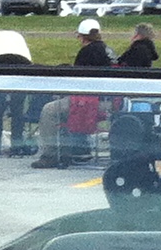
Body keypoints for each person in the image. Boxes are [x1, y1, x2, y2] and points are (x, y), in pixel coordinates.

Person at [35, 18, 113, 167]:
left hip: (90, 101)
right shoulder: (108, 50)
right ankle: (78, 149)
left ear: (82, 37)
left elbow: (77, 80)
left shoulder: (86, 52)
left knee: (49, 110)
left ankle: (50, 155)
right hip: (108, 100)